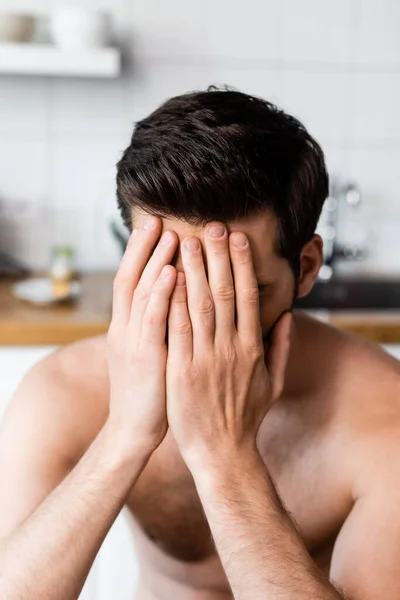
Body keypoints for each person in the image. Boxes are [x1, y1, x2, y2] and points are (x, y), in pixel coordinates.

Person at [0, 88, 399, 600]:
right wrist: (124, 436)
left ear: (304, 269)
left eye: (236, 292)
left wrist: (225, 457)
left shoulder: (386, 412)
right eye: (169, 281)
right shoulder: (66, 389)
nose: (197, 322)